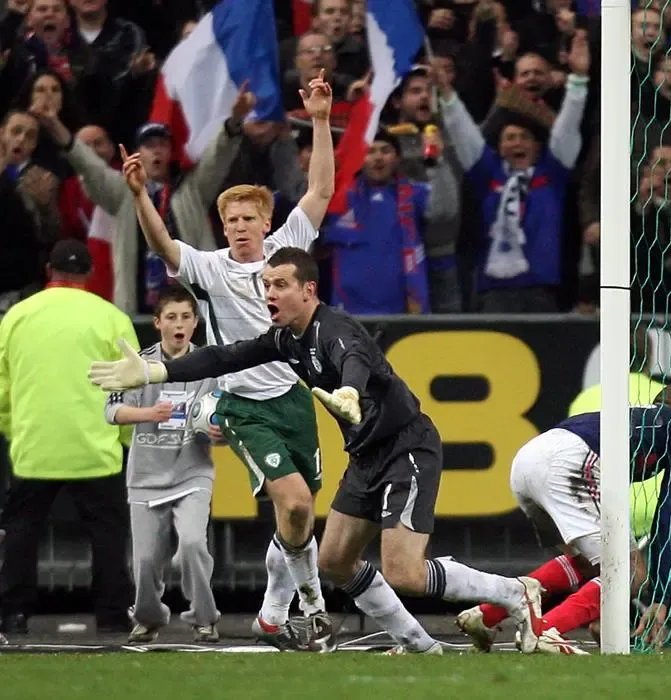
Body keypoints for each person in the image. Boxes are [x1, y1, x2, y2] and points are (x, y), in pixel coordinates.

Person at [88, 247, 543, 655]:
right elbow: (224, 357)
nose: (269, 293)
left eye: (280, 284)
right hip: (366, 457)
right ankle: (421, 647)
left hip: (407, 449)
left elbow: (353, 359)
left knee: (404, 571)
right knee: (332, 561)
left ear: (308, 290)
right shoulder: (286, 338)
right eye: (265, 285)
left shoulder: (334, 327)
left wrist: (348, 391)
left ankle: (513, 593)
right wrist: (154, 372)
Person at [123, 73, 336, 650]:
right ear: (223, 228)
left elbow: (318, 192)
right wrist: (142, 195)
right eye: (231, 220)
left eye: (248, 219)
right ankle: (313, 608)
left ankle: (273, 612)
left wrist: (319, 119)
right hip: (243, 403)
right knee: (292, 503)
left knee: (299, 516)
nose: (239, 228)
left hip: (292, 396)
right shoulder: (212, 268)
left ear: (266, 223)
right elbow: (166, 248)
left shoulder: (287, 250)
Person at [457, 385, 671, 654]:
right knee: (631, 571)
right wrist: (661, 599)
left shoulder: (641, 424)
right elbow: (669, 513)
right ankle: (544, 630)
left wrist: (604, 620)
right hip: (569, 461)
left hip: (528, 460)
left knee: (590, 566)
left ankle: (487, 615)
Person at [0, 240, 136, 636]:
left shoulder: (16, 317)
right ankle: (112, 615)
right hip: (96, 446)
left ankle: (13, 613)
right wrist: (123, 438)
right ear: (89, 275)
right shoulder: (111, 317)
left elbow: (3, 386)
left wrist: (13, 430)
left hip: (34, 445)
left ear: (49, 271)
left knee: (23, 529)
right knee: (108, 531)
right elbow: (131, 385)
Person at [106, 286, 221, 644]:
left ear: (195, 322)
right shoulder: (138, 364)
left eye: (186, 317)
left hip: (193, 471)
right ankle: (148, 618)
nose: (179, 324)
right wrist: (148, 413)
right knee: (144, 562)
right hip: (145, 476)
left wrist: (221, 432)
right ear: (158, 323)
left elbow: (228, 417)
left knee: (191, 543)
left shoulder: (210, 365)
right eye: (171, 317)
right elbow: (111, 411)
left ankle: (204, 618)